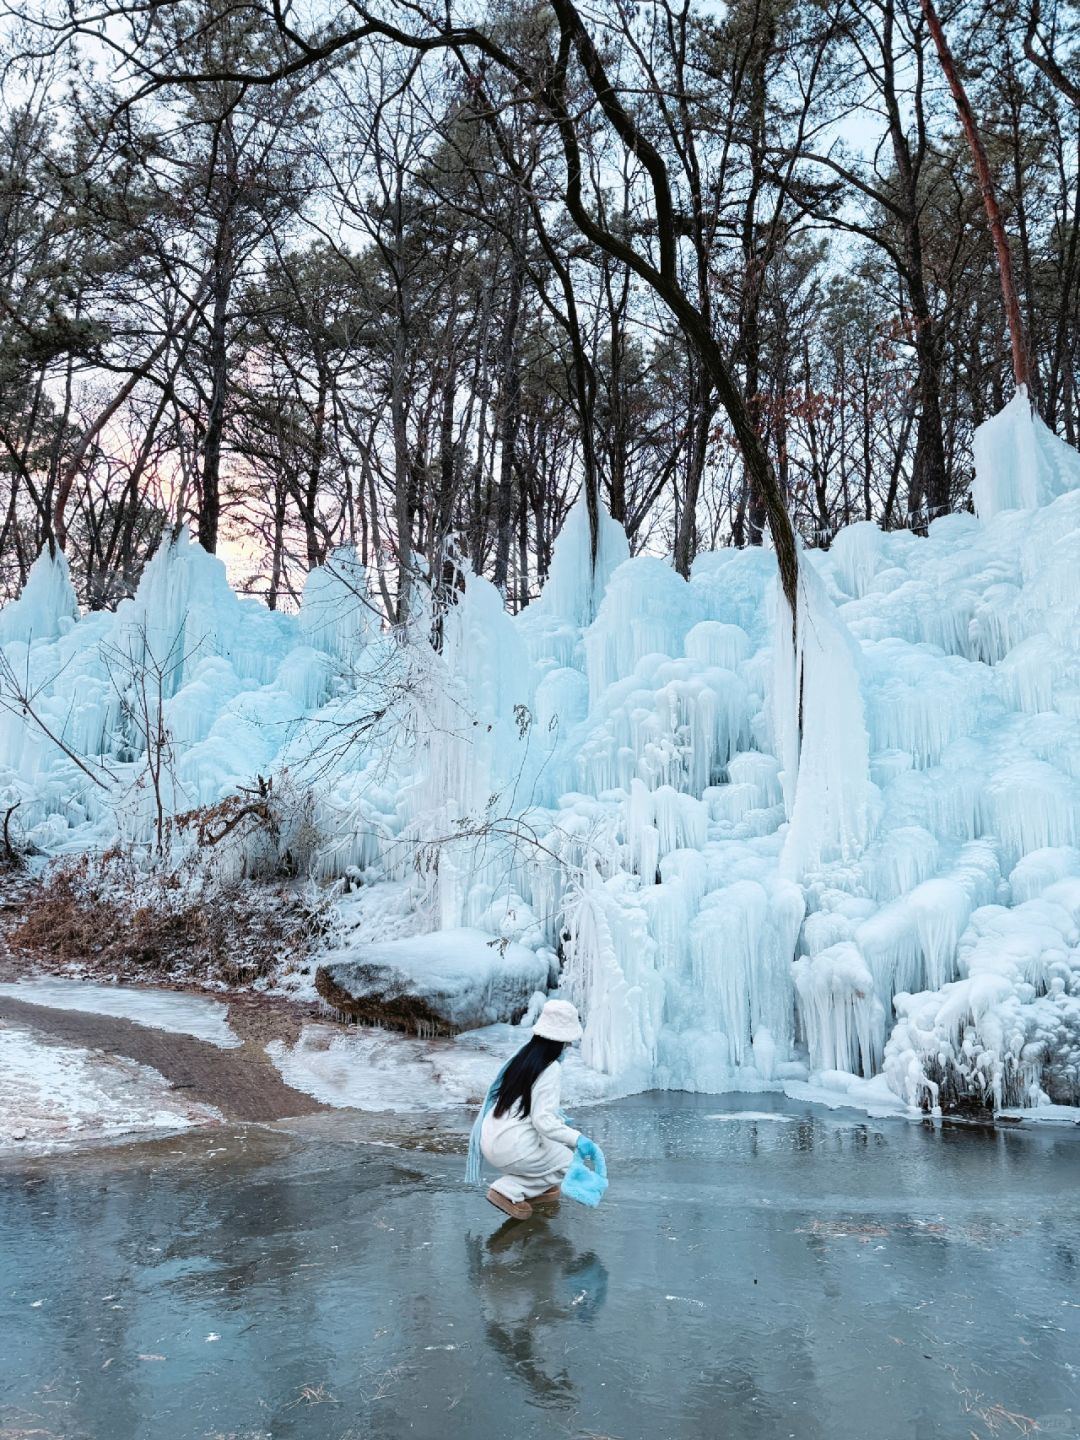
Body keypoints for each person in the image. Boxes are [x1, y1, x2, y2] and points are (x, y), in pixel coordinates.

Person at [469, 998, 602, 1220]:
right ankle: (508, 1189)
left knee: (552, 1148)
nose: (568, 1047)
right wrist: (578, 1139)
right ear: (562, 1041)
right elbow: (543, 1121)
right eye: (568, 1042)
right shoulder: (550, 1069)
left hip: (491, 1140)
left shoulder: (522, 1058)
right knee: (568, 1163)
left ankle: (536, 1190)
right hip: (512, 1148)